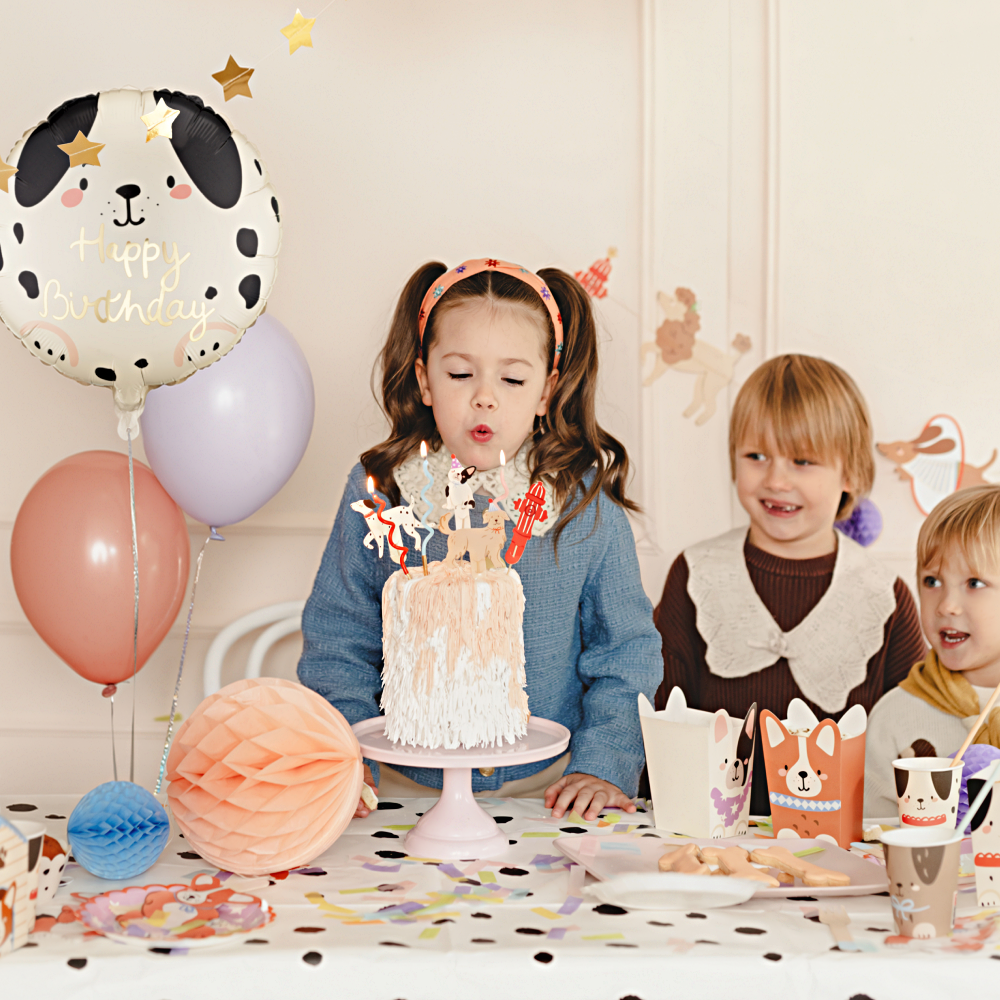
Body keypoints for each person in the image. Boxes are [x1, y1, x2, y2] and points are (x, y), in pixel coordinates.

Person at [298, 258, 661, 821]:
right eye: (460, 374)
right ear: (425, 380)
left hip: (549, 790)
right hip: (403, 787)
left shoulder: (583, 503)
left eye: (512, 380)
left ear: (547, 391)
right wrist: (349, 754)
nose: (485, 397)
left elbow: (625, 653)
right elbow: (339, 639)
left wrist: (604, 763)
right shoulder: (383, 492)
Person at [652, 354, 926, 815]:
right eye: (756, 456)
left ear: (851, 474)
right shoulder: (696, 574)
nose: (776, 480)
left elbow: (914, 737)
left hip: (843, 844)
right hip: (711, 834)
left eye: (802, 461)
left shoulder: (884, 595)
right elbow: (663, 718)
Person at [865, 485, 1000, 817]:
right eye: (932, 581)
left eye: (974, 583)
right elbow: (871, 833)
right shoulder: (893, 717)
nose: (946, 605)